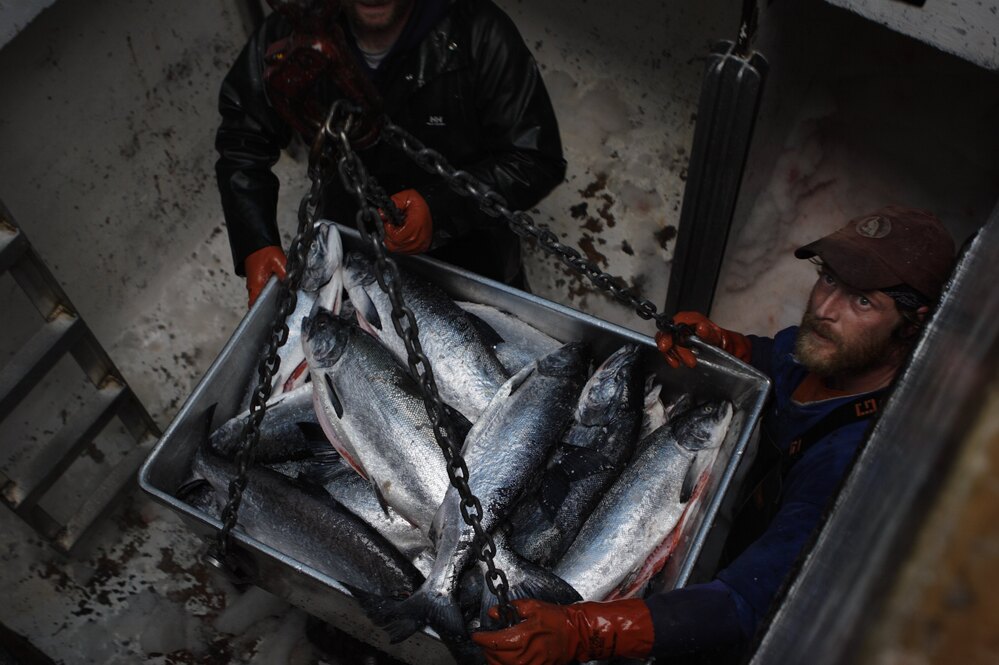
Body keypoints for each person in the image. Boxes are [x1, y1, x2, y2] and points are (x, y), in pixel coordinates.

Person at [470, 205, 956, 665]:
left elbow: (743, 603)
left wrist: (584, 630)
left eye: (864, 300)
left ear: (914, 325)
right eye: (828, 278)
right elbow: (779, 360)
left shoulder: (852, 464)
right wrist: (727, 346)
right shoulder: (833, 350)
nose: (825, 308)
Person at [215, 0, 567, 308]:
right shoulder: (290, 35)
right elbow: (243, 138)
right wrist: (254, 241)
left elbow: (534, 158)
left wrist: (441, 208)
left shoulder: (479, 33)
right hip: (351, 241)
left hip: (472, 248)